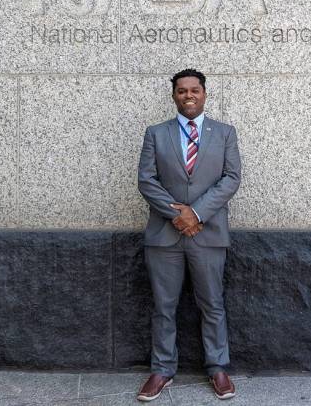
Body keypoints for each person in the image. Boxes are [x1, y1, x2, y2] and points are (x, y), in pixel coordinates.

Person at [136, 68, 241, 402]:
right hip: (164, 237)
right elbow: (146, 180)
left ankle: (218, 368)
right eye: (181, 91)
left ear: (204, 93)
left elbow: (231, 178)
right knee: (164, 306)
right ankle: (162, 370)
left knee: (212, 304)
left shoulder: (225, 133)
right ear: (174, 96)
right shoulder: (156, 133)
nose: (188, 96)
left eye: (194, 90)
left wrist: (195, 213)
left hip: (208, 234)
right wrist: (177, 213)